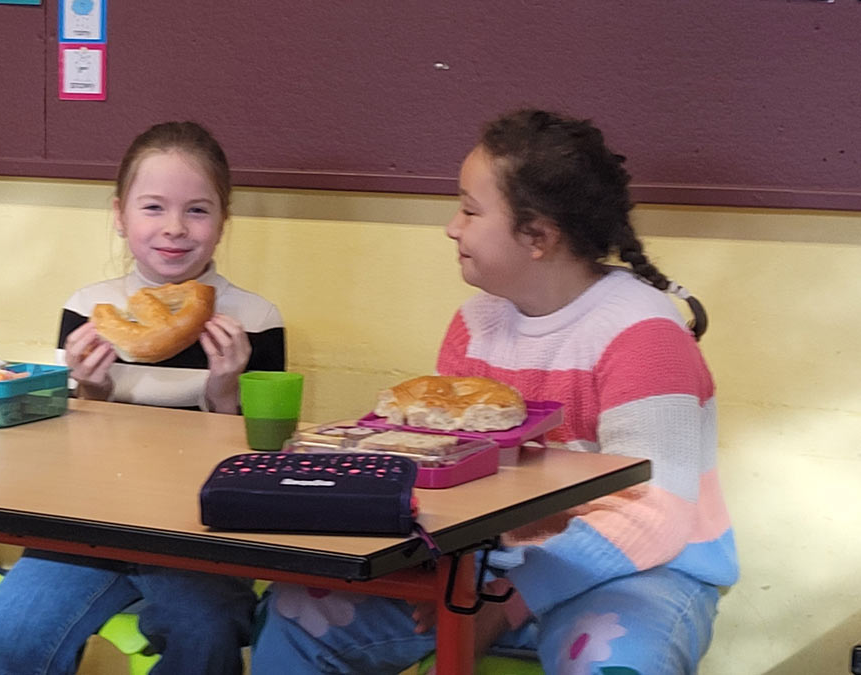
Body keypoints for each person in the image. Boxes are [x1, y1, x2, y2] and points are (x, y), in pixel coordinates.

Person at [249, 110, 738, 674]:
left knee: (614, 662)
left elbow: (655, 515)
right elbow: (454, 473)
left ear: (537, 237)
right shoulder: (474, 324)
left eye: (470, 210)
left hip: (638, 570)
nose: (452, 227)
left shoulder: (644, 336)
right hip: (492, 564)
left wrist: (504, 603)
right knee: (294, 613)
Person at [0, 121, 284, 674]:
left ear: (223, 220)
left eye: (198, 210)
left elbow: (262, 465)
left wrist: (225, 392)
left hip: (200, 536)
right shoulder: (91, 310)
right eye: (153, 207)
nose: (175, 228)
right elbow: (68, 454)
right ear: (120, 215)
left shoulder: (253, 320)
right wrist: (91, 390)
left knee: (205, 631)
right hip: (89, 528)